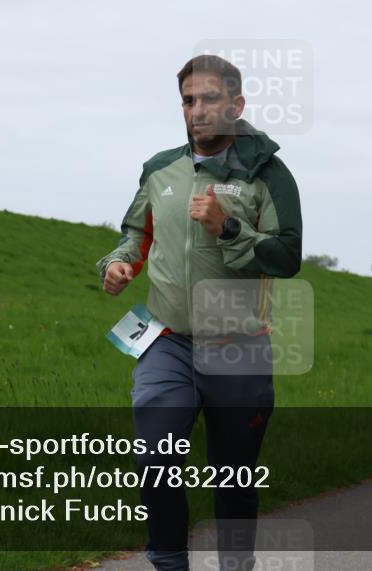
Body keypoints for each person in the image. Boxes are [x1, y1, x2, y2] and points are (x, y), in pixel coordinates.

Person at [97, 54, 302, 571]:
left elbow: (287, 258)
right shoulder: (159, 169)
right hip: (166, 341)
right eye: (189, 100)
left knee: (233, 476)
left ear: (237, 104)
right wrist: (118, 264)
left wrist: (228, 227)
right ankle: (170, 564)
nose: (198, 110)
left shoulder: (269, 177)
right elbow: (136, 234)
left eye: (210, 98)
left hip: (238, 348)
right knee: (156, 458)